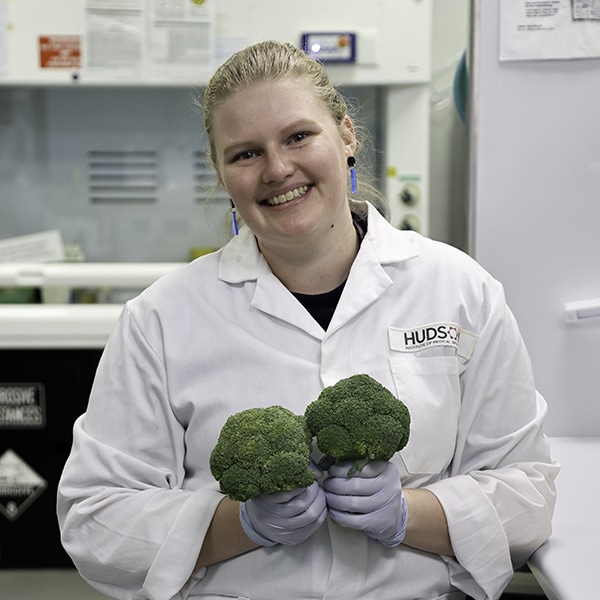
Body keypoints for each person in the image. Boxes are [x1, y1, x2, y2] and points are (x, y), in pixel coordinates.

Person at [57, 40, 559, 600]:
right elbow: (94, 517)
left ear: (346, 136)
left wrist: (407, 512)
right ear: (222, 174)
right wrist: (235, 525)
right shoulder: (161, 319)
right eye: (245, 153)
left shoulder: (460, 291)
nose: (277, 169)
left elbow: (528, 492)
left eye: (299, 136)